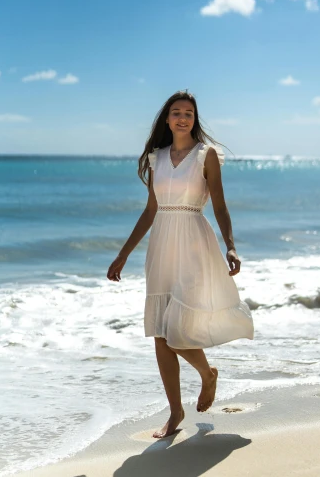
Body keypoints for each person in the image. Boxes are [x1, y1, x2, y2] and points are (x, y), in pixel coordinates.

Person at [107, 90, 254, 438]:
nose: (182, 118)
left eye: (188, 112)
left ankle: (207, 374)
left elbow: (219, 204)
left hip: (193, 242)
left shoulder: (207, 155)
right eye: (176, 112)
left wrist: (231, 247)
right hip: (161, 246)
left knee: (177, 330)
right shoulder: (156, 158)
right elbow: (150, 211)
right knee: (161, 332)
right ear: (167, 119)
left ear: (194, 119)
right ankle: (175, 412)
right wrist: (124, 253)